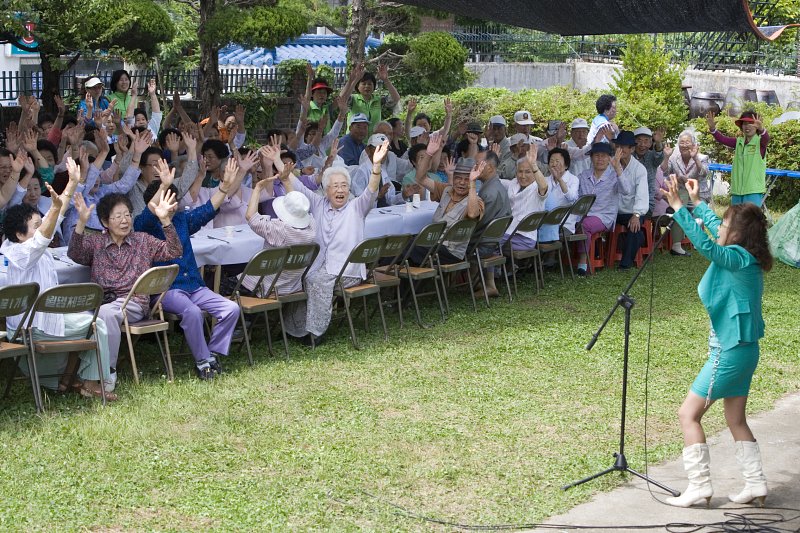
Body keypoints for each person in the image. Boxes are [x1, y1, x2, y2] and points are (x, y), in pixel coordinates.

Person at [662, 176, 772, 508]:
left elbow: (709, 246)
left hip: (730, 351)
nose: (719, 228)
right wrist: (697, 203)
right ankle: (756, 484)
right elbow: (717, 228)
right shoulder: (745, 254)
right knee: (735, 419)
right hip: (744, 349)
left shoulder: (736, 257)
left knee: (688, 414)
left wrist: (680, 208)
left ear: (737, 234)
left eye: (725, 225)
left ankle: (699, 487)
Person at [1, 158, 114, 400]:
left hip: (42, 322)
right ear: (20, 234)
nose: (43, 228)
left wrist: (73, 183)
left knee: (86, 320)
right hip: (32, 328)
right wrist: (54, 209)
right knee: (97, 324)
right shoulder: (22, 251)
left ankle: (70, 379)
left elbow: (58, 213)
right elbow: (47, 229)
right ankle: (92, 383)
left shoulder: (27, 244)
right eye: (35, 226)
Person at [133, 161, 243, 381]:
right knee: (192, 312)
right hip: (167, 291)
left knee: (231, 309)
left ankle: (211, 354)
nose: (172, 205)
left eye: (174, 200)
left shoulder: (183, 220)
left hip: (194, 285)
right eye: (167, 200)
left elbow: (207, 210)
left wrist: (225, 186)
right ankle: (203, 363)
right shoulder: (144, 224)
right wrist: (163, 186)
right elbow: (147, 214)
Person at [276, 140, 390, 346]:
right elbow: (297, 187)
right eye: (335, 186)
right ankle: (295, 329)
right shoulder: (318, 204)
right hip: (320, 267)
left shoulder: (356, 207)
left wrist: (376, 167)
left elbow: (371, 191)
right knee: (299, 277)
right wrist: (277, 160)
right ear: (326, 190)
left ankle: (315, 332)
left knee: (317, 281)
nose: (340, 190)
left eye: (344, 186)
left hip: (347, 272)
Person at [68, 190, 183, 391]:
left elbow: (174, 251)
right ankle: (70, 377)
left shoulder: (143, 241)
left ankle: (107, 374)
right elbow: (74, 253)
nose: (125, 221)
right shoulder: (96, 243)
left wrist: (165, 221)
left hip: (133, 302)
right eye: (118, 216)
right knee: (76, 319)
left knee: (105, 314)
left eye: (127, 215)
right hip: (103, 302)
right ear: (105, 222)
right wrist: (81, 222)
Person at [410, 134, 484, 265]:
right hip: (434, 244)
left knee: (412, 247)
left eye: (466, 179)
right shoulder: (446, 190)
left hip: (451, 251)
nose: (461, 183)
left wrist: (472, 182)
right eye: (458, 178)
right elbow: (420, 179)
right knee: (409, 242)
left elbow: (472, 214)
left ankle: (384, 276)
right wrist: (429, 153)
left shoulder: (476, 200)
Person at [574, 142, 634, 276]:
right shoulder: (584, 175)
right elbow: (574, 195)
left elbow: (627, 191)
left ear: (609, 158)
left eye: (604, 156)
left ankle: (583, 262)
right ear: (591, 158)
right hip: (582, 215)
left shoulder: (614, 175)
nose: (600, 159)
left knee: (584, 225)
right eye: (596, 155)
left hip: (603, 216)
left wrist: (618, 169)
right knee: (573, 222)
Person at [662, 130, 711, 256]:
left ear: (694, 144)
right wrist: (666, 157)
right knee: (678, 209)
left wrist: (695, 158)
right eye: (681, 142)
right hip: (682, 191)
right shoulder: (674, 157)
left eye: (687, 142)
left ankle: (698, 242)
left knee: (698, 213)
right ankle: (676, 246)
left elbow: (704, 173)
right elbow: (665, 172)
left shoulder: (702, 157)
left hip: (698, 193)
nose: (684, 145)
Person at [706, 111, 769, 206]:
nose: (747, 126)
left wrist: (762, 129)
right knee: (736, 219)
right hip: (737, 191)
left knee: (750, 220)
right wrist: (712, 129)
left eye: (750, 123)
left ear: (756, 126)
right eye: (744, 124)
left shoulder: (760, 143)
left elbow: (766, 138)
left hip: (753, 191)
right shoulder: (738, 142)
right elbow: (722, 139)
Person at [499, 143, 549, 252]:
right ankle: (501, 269)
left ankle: (499, 269)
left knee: (489, 244)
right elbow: (495, 180)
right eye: (520, 171)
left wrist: (534, 165)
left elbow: (544, 186)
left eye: (528, 172)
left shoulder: (537, 187)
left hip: (525, 238)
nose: (523, 176)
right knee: (489, 240)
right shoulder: (513, 183)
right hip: (508, 233)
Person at [611, 130, 649, 271]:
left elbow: (642, 195)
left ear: (632, 149)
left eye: (624, 147)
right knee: (636, 233)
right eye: (618, 146)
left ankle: (625, 264)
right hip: (613, 210)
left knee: (635, 228)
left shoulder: (639, 169)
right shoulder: (612, 164)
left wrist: (637, 214)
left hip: (631, 210)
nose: (620, 150)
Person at [345, 64, 401, 134]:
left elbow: (396, 98)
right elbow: (343, 99)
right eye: (364, 84)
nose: (367, 86)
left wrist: (386, 80)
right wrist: (355, 79)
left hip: (373, 141)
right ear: (357, 86)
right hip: (353, 141)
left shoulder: (378, 100)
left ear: (374, 86)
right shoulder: (353, 99)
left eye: (369, 84)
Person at [539, 147, 579, 243]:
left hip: (564, 224)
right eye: (551, 161)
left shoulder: (573, 179)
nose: (554, 164)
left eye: (557, 161)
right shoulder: (545, 180)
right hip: (545, 222)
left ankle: (550, 257)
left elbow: (572, 197)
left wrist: (560, 179)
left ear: (566, 165)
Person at [631, 126, 666, 214]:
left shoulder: (652, 157)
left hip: (647, 203)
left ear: (650, 144)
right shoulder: (629, 156)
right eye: (639, 140)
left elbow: (659, 155)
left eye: (646, 141)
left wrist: (658, 142)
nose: (642, 144)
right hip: (628, 202)